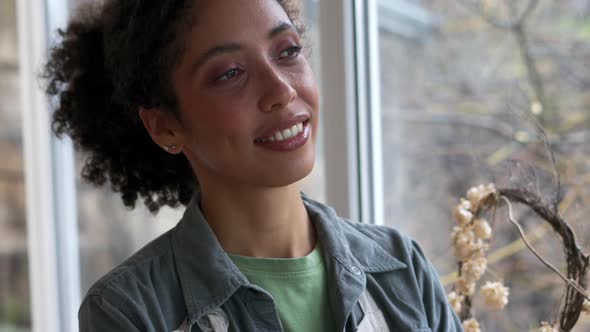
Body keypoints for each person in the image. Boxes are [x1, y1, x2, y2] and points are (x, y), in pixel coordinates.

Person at [44, 0, 463, 331]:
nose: (281, 90)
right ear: (165, 125)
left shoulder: (400, 266)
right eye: (230, 73)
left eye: (288, 51)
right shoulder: (130, 311)